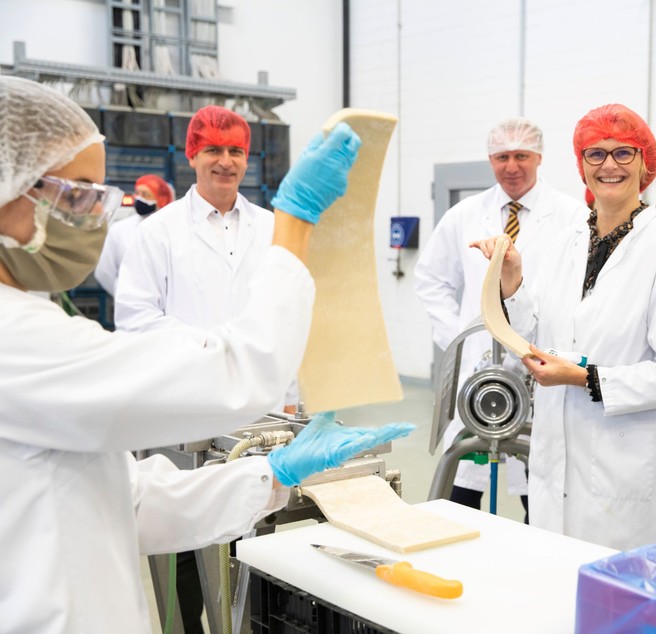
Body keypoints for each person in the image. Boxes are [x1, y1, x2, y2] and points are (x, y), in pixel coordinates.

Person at [0, 76, 413, 633]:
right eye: (75, 195)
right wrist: (296, 222)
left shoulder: (33, 325)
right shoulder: (17, 340)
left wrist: (273, 473)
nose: (91, 217)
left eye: (97, 197)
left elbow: (132, 501)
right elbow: (233, 372)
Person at [471, 104, 656, 550]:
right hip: (556, 459)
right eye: (595, 154)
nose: (609, 165)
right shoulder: (567, 242)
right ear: (581, 166)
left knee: (620, 609)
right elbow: (536, 331)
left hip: (629, 472)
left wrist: (584, 379)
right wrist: (512, 282)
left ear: (645, 164)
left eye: (623, 153)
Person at [414, 117, 588, 517]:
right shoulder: (465, 215)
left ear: (539, 157)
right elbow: (430, 280)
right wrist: (462, 339)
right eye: (502, 157)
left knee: (540, 493)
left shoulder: (572, 217)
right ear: (490, 160)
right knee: (462, 490)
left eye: (521, 156)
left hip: (542, 368)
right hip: (477, 373)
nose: (512, 166)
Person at [115, 106, 300, 413]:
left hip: (263, 401)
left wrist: (291, 398)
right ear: (192, 156)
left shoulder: (272, 228)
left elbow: (284, 316)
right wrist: (207, 345)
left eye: (236, 151)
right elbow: (134, 318)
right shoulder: (157, 231)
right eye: (213, 150)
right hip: (187, 399)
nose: (226, 162)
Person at [94, 173, 175, 296]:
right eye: (137, 193)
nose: (139, 198)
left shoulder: (172, 229)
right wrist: (123, 294)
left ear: (160, 199)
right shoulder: (119, 230)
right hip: (130, 302)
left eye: (146, 195)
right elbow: (104, 271)